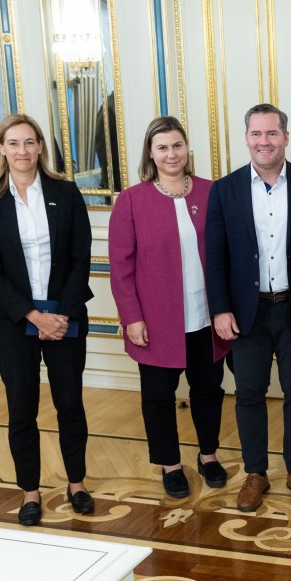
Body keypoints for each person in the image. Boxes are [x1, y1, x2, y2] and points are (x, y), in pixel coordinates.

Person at [0, 113, 95, 526]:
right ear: (1, 149)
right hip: (12, 321)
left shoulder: (65, 192)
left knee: (70, 404)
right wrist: (33, 316)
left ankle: (76, 483)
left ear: (41, 147)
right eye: (13, 143)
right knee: (21, 407)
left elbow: (81, 258)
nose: (22, 151)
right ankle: (30, 491)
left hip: (66, 317)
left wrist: (58, 315)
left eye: (29, 142)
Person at [205, 103, 291, 512]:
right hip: (246, 314)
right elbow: (216, 254)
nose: (264, 141)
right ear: (246, 138)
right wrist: (220, 309)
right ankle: (255, 473)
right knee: (249, 395)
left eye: (272, 134)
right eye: (256, 134)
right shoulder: (225, 190)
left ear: (286, 138)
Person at [108, 116, 232, 499]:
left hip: (206, 316)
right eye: (162, 147)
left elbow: (229, 253)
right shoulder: (132, 200)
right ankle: (170, 463)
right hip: (156, 319)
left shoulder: (214, 193)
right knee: (159, 396)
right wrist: (132, 317)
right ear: (151, 153)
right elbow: (121, 265)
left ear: (187, 148)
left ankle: (208, 455)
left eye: (177, 145)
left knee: (209, 389)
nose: (171, 153)